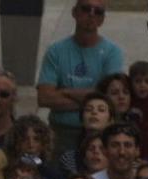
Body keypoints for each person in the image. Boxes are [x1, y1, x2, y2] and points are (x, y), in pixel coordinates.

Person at [39, 0, 127, 152]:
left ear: (102, 19)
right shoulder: (55, 51)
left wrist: (65, 91)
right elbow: (44, 98)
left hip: (100, 136)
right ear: (74, 12)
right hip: (60, 133)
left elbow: (110, 98)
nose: (91, 14)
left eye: (98, 11)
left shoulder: (113, 53)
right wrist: (96, 102)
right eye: (86, 9)